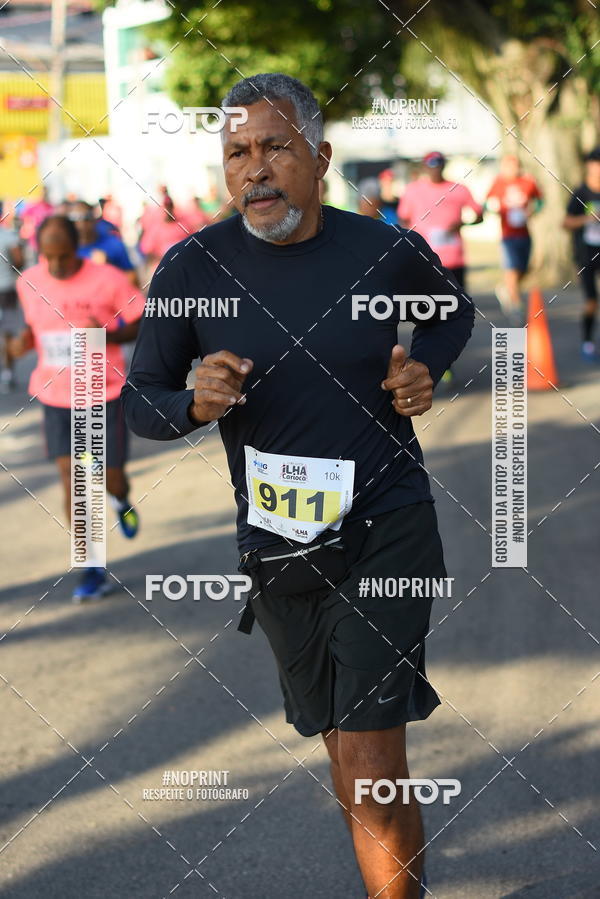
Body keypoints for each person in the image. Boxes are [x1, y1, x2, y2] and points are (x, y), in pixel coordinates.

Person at [122, 73, 475, 899]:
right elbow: (142, 400)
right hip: (278, 543)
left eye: (275, 147)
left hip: (388, 521)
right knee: (341, 746)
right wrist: (191, 401)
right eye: (237, 152)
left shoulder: (380, 249)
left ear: (319, 156)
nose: (255, 168)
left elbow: (451, 311)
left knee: (370, 749)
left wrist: (427, 367)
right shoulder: (193, 265)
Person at [10, 215, 146, 601]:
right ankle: (92, 568)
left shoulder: (108, 280)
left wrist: (108, 333)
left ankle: (120, 498)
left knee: (109, 477)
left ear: (76, 248)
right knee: (75, 483)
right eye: (47, 256)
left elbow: (141, 321)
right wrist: (23, 344)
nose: (54, 266)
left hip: (105, 393)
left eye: (62, 257)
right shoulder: (28, 281)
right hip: (55, 396)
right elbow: (38, 331)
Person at [486, 155, 542, 321]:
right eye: (507, 166)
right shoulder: (498, 182)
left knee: (523, 269)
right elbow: (487, 203)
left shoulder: (528, 181)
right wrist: (494, 209)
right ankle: (516, 307)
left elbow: (539, 201)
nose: (511, 169)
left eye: (514, 166)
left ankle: (506, 289)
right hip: (507, 235)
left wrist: (532, 211)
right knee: (511, 269)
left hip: (524, 233)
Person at [563, 147, 600, 360]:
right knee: (591, 301)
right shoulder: (581, 193)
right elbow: (566, 222)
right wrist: (588, 218)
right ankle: (587, 341)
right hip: (586, 253)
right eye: (594, 163)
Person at [69, 201, 138, 285]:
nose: (81, 225)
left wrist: (109, 266)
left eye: (86, 218)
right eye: (75, 219)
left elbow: (133, 280)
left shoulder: (114, 244)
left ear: (94, 220)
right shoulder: (64, 248)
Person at [0, 217, 24, 391]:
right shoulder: (8, 236)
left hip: (6, 289)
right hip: (6, 289)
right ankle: (7, 373)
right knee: (6, 332)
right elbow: (19, 261)